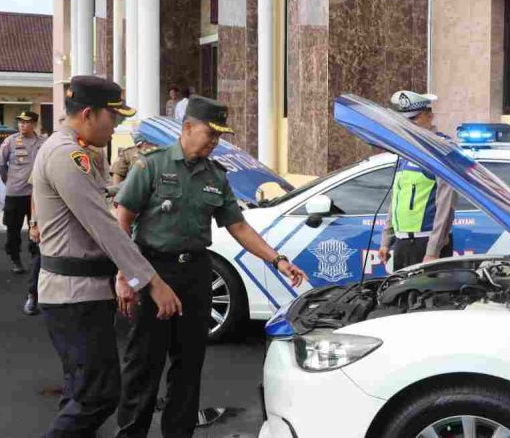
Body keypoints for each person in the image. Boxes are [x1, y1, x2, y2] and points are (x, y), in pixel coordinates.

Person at [114, 95, 308, 438]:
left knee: (188, 368)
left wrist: (277, 260)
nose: (215, 142)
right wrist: (125, 275)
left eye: (219, 136)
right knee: (144, 365)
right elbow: (122, 220)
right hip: (153, 273)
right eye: (210, 133)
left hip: (196, 276)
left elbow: (239, 227)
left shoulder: (216, 176)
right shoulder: (152, 166)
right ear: (187, 127)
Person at [32, 75, 182, 437]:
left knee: (80, 391)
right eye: (112, 116)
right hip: (73, 295)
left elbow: (98, 200)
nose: (116, 125)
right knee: (96, 396)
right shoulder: (69, 156)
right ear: (87, 113)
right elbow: (104, 226)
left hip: (81, 291)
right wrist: (152, 282)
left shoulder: (80, 151)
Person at [378, 91, 456, 270]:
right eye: (404, 120)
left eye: (414, 118)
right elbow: (397, 197)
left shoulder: (441, 149)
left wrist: (433, 252)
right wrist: (386, 241)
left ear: (430, 116)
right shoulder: (407, 150)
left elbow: (446, 205)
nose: (408, 125)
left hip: (427, 244)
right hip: (403, 243)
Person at [0, 110, 44, 274]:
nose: (22, 125)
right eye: (20, 122)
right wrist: (10, 182)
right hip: (15, 193)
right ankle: (15, 258)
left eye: (26, 122)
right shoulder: (10, 141)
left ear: (34, 124)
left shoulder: (43, 142)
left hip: (36, 194)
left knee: (38, 226)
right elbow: (2, 166)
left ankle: (35, 257)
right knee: (13, 228)